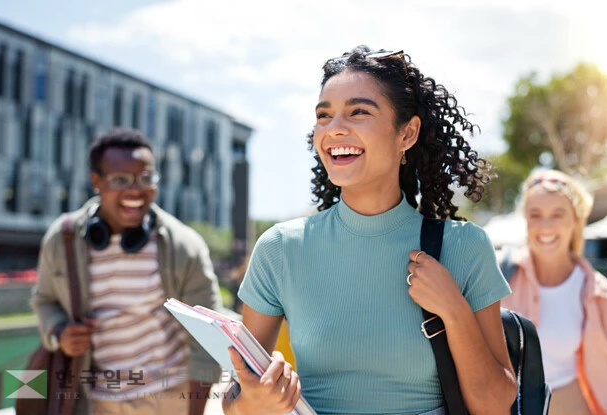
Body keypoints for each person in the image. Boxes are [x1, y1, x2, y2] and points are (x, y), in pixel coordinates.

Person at [223, 46, 517, 415]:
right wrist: (254, 403)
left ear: (407, 133)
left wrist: (454, 310)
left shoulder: (464, 246)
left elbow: (494, 405)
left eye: (358, 112)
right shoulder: (281, 248)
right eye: (323, 116)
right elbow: (235, 403)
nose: (334, 129)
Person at [30, 127, 222, 415]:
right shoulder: (62, 239)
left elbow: (207, 340)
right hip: (94, 401)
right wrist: (59, 332)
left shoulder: (185, 246)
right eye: (120, 179)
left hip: (169, 398)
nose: (135, 190)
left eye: (146, 178)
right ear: (96, 181)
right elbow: (44, 300)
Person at [499, 169, 607, 415]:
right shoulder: (499, 275)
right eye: (536, 215)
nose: (546, 226)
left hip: (572, 405)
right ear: (525, 220)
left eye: (558, 214)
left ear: (576, 221)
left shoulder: (597, 292)